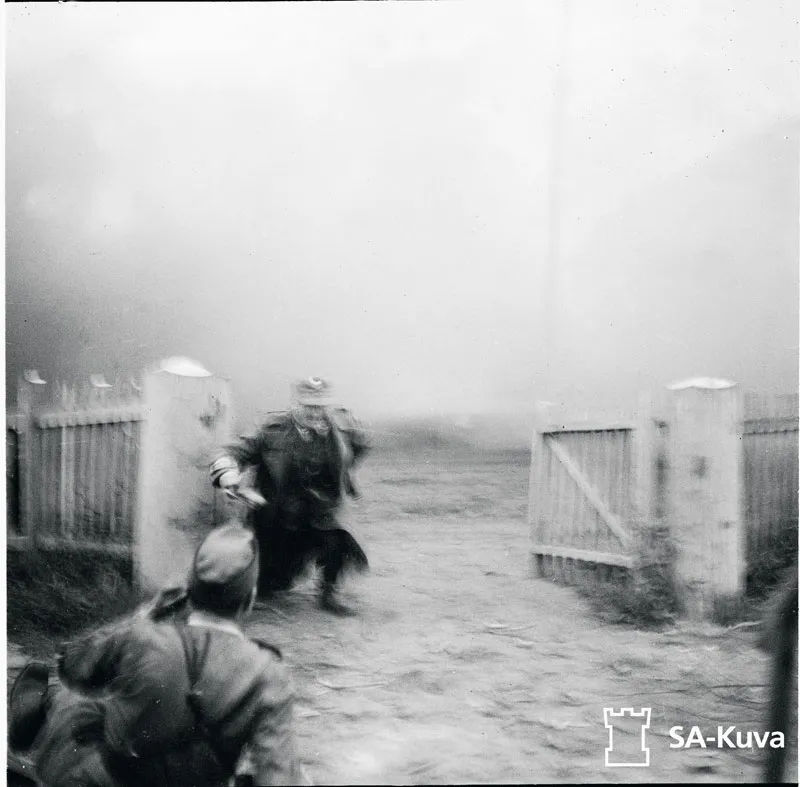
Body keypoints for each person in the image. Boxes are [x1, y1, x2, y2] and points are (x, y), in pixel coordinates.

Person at [8, 522, 309, 787]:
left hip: (108, 778)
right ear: (250, 599)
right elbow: (279, 777)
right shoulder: (268, 673)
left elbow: (72, 664)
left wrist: (144, 615)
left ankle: (33, 711)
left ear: (190, 591)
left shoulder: (144, 636)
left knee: (72, 700)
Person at [210, 376, 370, 616]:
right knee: (273, 583)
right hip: (277, 515)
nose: (315, 413)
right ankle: (268, 577)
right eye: (308, 406)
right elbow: (234, 451)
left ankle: (329, 592)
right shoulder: (270, 430)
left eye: (320, 407)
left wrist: (344, 473)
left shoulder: (341, 429)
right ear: (295, 404)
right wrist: (228, 474)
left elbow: (360, 446)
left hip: (321, 513)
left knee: (340, 541)